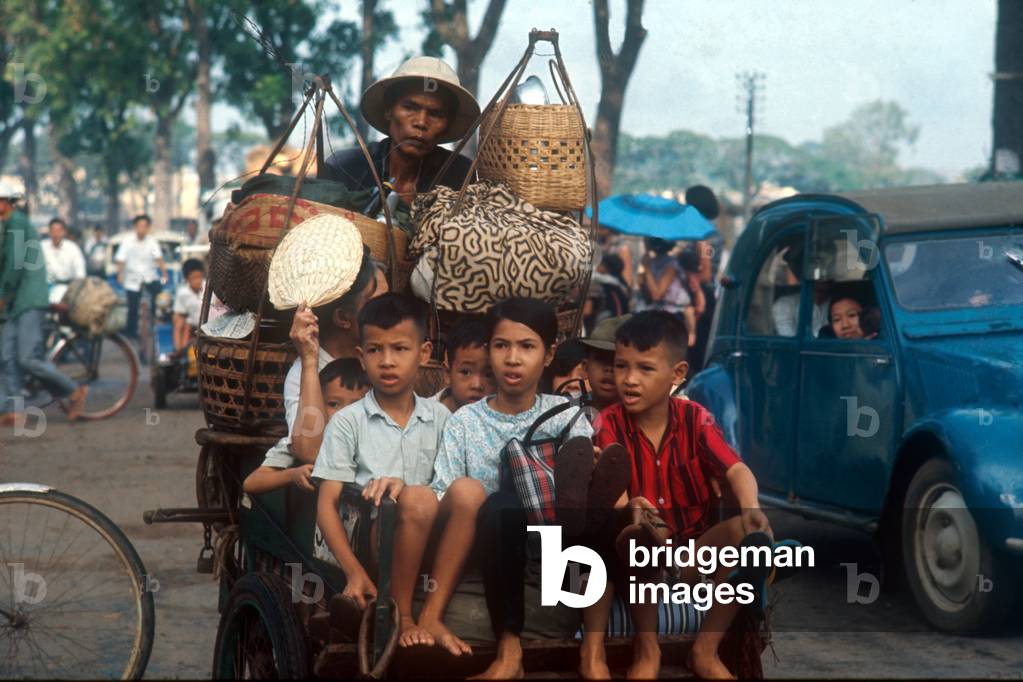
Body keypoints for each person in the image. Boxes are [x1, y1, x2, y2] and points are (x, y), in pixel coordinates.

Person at [399, 298, 594, 671]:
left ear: (549, 354)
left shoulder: (566, 417)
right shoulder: (466, 421)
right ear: (490, 351)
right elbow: (445, 491)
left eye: (527, 346)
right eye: (502, 345)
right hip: (482, 550)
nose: (513, 358)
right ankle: (509, 649)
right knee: (500, 506)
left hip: (550, 553)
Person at [581, 311, 772, 679]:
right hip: (640, 554)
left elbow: (736, 469)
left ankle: (705, 649)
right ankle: (647, 646)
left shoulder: (695, 419)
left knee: (751, 536)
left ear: (677, 374)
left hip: (692, 554)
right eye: (622, 366)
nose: (629, 380)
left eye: (645, 369)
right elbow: (615, 493)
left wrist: (751, 506)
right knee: (638, 535)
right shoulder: (609, 423)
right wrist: (630, 507)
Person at [313, 294, 449, 616]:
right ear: (361, 356)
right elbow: (326, 503)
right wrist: (354, 572)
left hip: (434, 543)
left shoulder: (442, 419)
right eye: (375, 350)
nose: (387, 361)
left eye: (400, 349)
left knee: (430, 498)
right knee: (404, 505)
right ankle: (397, 617)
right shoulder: (348, 422)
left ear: (424, 353)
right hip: (373, 544)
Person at [319, 56, 481, 225]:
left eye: (435, 114)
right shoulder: (346, 168)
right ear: (389, 110)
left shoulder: (462, 178)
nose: (421, 122)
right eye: (410, 108)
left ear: (448, 124)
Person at [0, 182, 88, 424]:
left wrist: (3, 295)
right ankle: (12, 410)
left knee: (28, 359)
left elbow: (14, 267)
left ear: (5, 203)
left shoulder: (16, 223)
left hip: (28, 300)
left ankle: (74, 391)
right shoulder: (8, 225)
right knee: (6, 356)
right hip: (15, 303)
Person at [287, 247, 384, 464]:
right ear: (343, 318)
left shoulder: (387, 359)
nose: (390, 314)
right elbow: (309, 453)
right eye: (377, 305)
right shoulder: (303, 373)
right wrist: (309, 363)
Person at [243, 358, 370, 495]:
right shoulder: (299, 443)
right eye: (333, 404)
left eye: (356, 406)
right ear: (318, 403)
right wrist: (292, 475)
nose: (343, 414)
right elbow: (251, 483)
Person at [635, 237, 697, 348]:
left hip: (670, 316)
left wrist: (647, 269)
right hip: (653, 314)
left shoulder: (671, 264)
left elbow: (657, 295)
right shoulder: (651, 261)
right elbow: (646, 292)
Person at [116, 214, 167, 341]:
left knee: (159, 295)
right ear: (135, 227)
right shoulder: (127, 241)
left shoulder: (152, 242)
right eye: (139, 226)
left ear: (148, 228)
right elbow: (121, 259)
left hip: (149, 277)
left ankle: (155, 321)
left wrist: (164, 273)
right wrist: (120, 274)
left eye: (145, 226)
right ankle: (131, 333)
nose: (142, 228)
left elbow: (158, 258)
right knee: (132, 307)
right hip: (132, 279)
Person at [434, 316, 494, 413]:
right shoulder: (426, 419)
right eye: (466, 372)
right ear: (447, 373)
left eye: (488, 375)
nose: (477, 385)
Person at [579, 315, 631, 412]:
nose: (609, 369)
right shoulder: (567, 412)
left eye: (620, 363)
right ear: (585, 367)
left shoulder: (647, 420)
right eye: (601, 359)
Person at [41, 218, 86, 305]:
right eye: (53, 231)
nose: (56, 234)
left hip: (69, 290)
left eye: (59, 231)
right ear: (49, 232)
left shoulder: (73, 248)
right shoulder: (41, 247)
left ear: (64, 232)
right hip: (46, 290)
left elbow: (80, 273)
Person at [172, 259, 205, 354]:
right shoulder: (183, 293)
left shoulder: (209, 287)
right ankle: (180, 353)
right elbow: (179, 320)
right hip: (193, 330)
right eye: (194, 278)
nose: (198, 281)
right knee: (183, 324)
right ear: (187, 279)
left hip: (211, 329)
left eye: (199, 277)